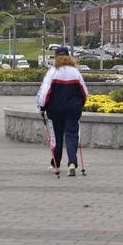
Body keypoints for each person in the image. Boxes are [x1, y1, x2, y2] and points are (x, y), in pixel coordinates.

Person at [36, 47, 88, 176]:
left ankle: (56, 163)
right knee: (72, 134)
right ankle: (72, 162)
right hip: (73, 109)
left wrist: (41, 107)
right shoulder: (76, 72)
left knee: (56, 137)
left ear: (55, 57)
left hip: (55, 109)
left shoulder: (52, 72)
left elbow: (44, 92)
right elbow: (84, 92)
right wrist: (81, 105)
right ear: (69, 57)